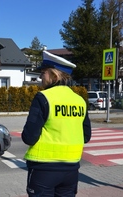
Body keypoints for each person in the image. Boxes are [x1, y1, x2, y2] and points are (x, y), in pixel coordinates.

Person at [22, 50, 92, 197]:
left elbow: (29, 137)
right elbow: (86, 136)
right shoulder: (79, 100)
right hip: (71, 169)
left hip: (44, 169)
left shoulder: (43, 97)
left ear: (54, 75)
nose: (40, 76)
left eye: (43, 72)